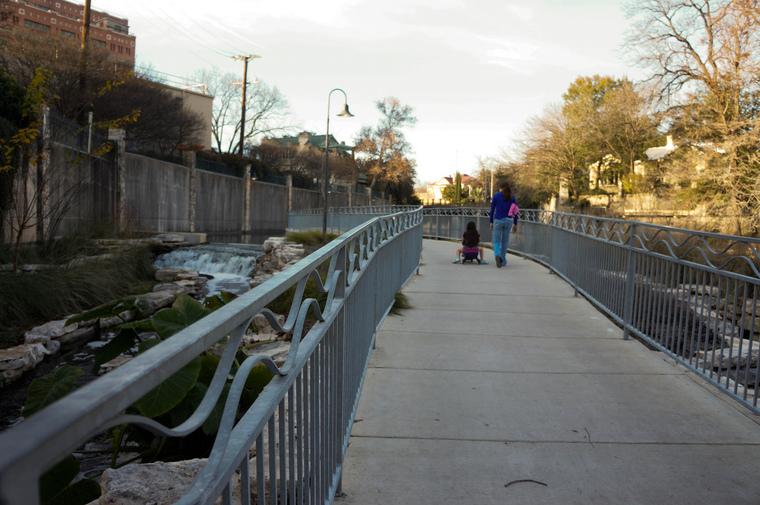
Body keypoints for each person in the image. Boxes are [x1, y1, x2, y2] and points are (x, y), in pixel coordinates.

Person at [489, 181, 518, 268]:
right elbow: (515, 212)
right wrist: (515, 224)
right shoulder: (512, 198)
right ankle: (503, 260)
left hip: (498, 220)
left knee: (497, 241)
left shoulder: (496, 197)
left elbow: (492, 210)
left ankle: (497, 255)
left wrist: (491, 222)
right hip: (508, 221)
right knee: (505, 241)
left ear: (501, 188)